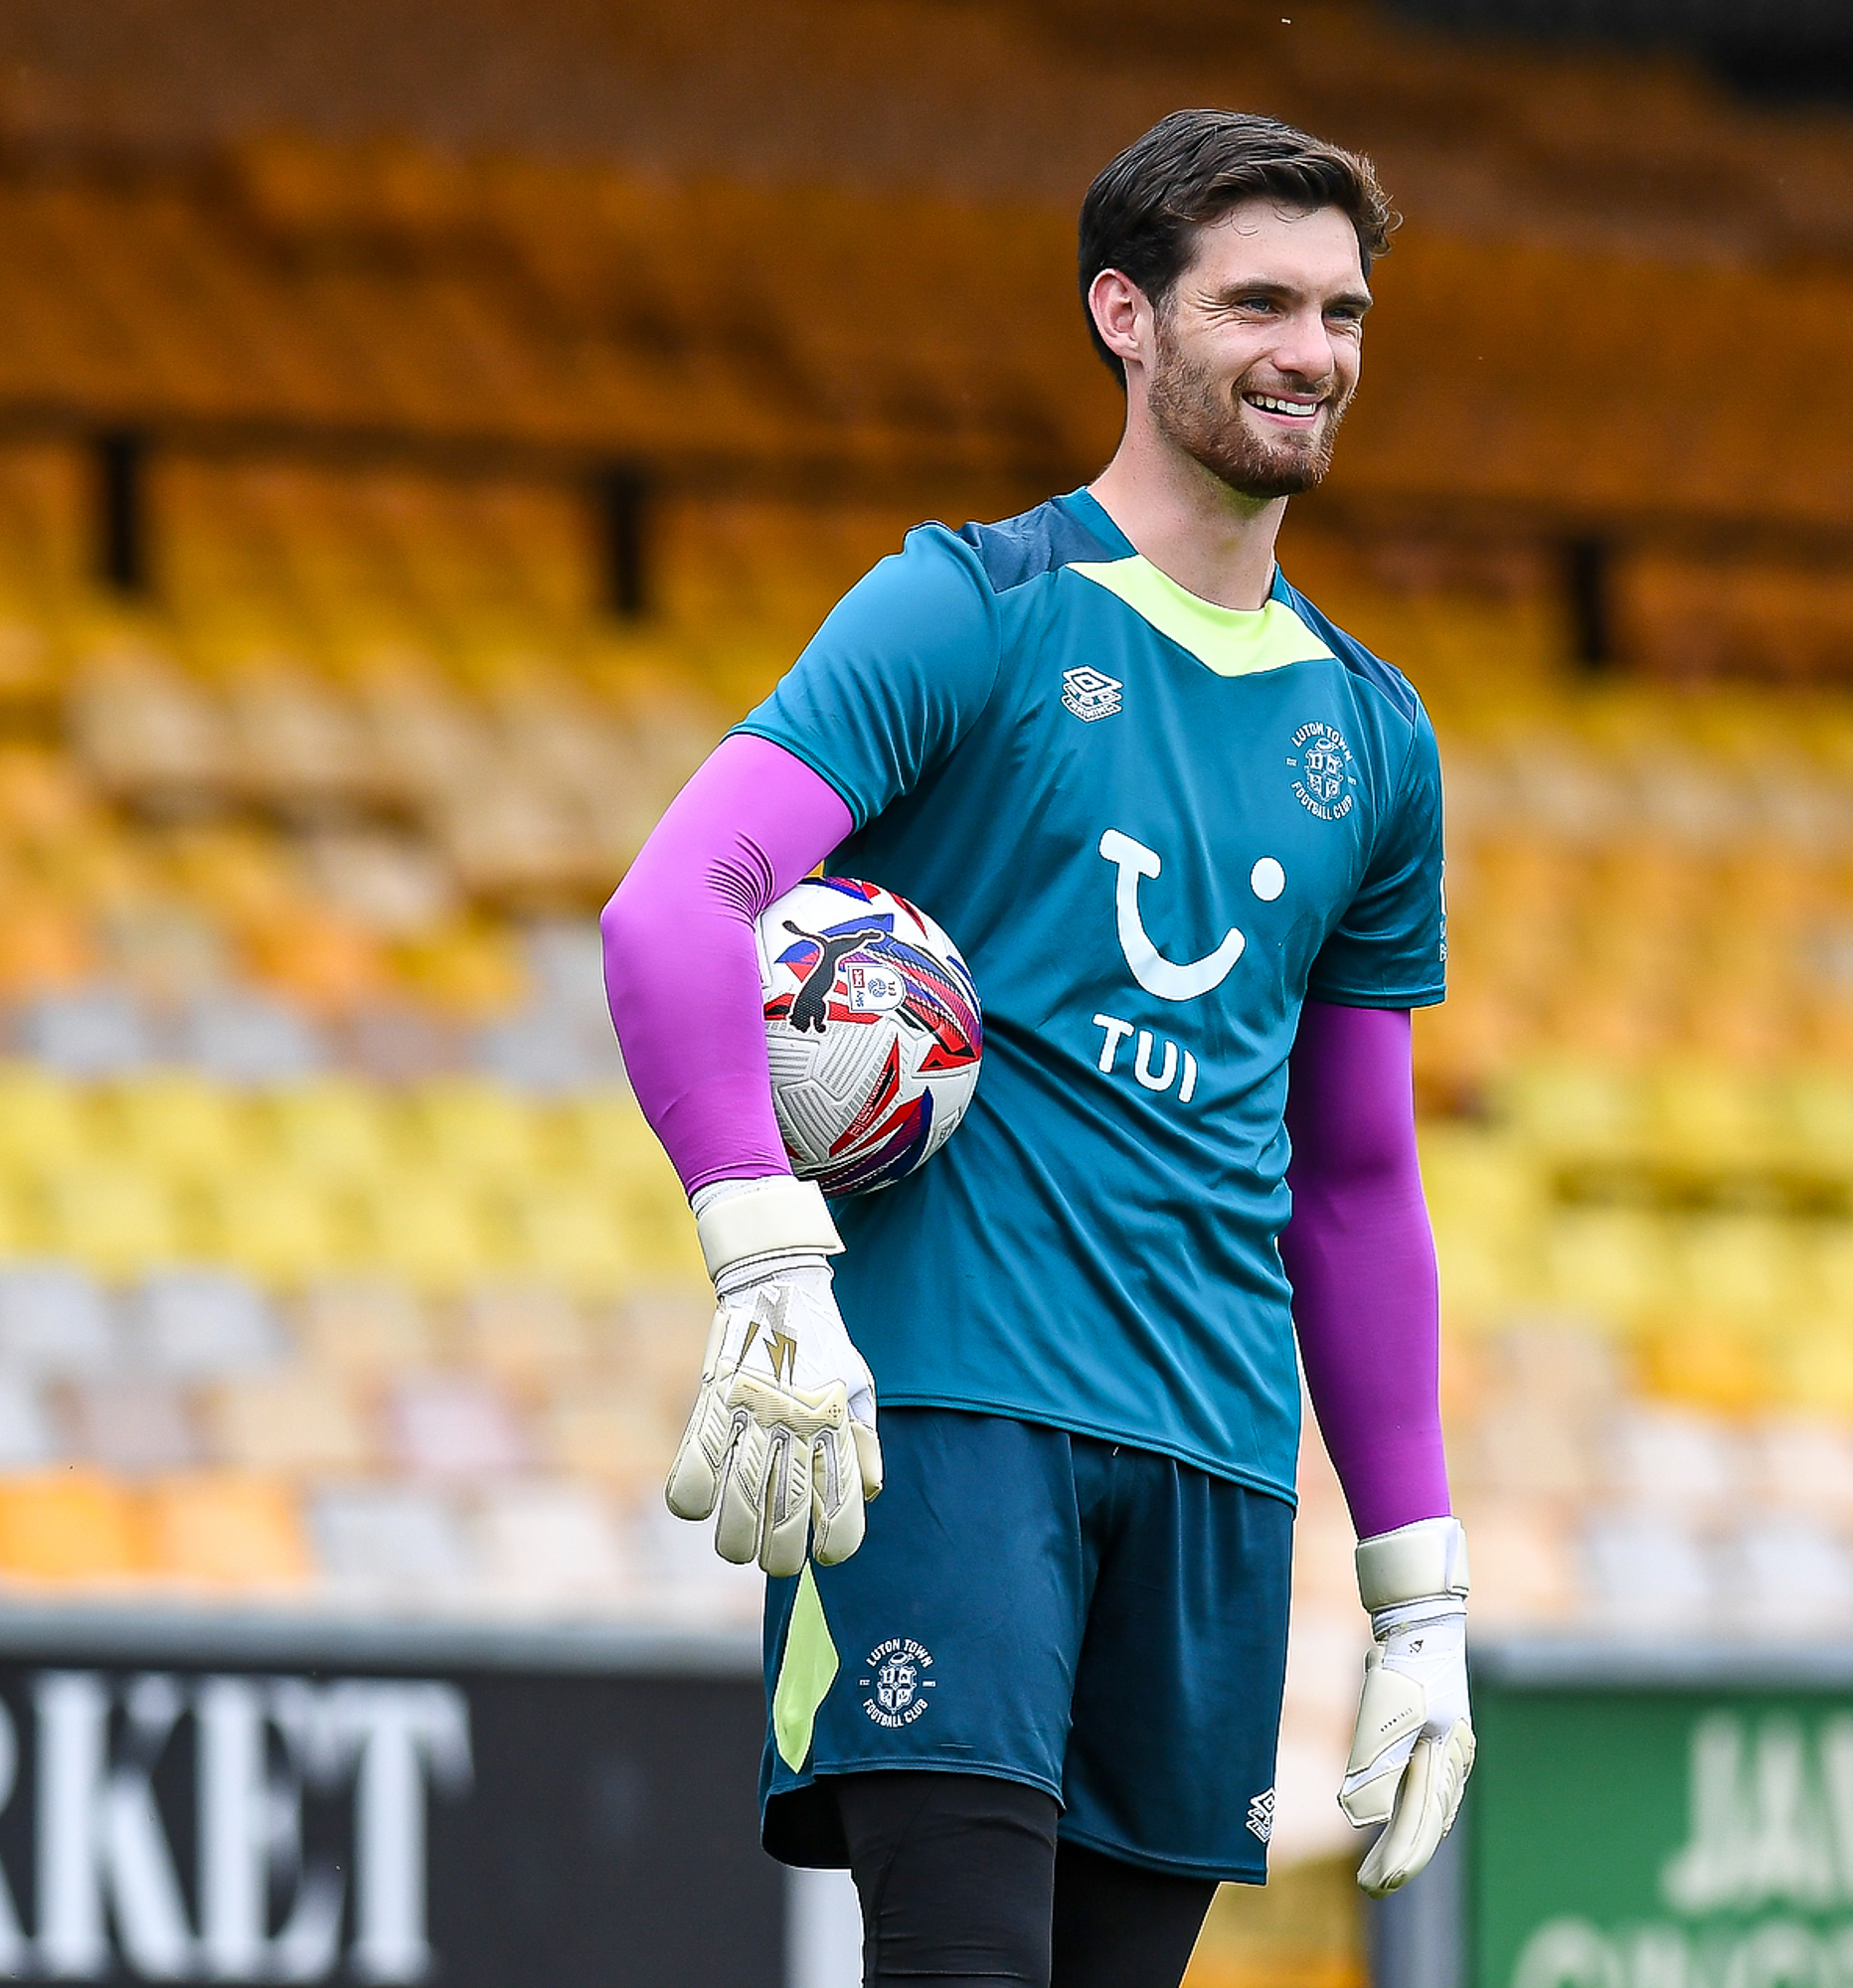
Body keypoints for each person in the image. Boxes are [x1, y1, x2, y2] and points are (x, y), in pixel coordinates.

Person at [599, 106, 1469, 1988]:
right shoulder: (970, 607)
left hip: (1217, 1464)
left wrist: (1421, 1593)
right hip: (947, 1425)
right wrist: (764, 1254)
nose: (1308, 352)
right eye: (1256, 301)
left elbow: (1357, 1179)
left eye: (1341, 312)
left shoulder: (1379, 742)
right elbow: (674, 909)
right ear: (1123, 318)